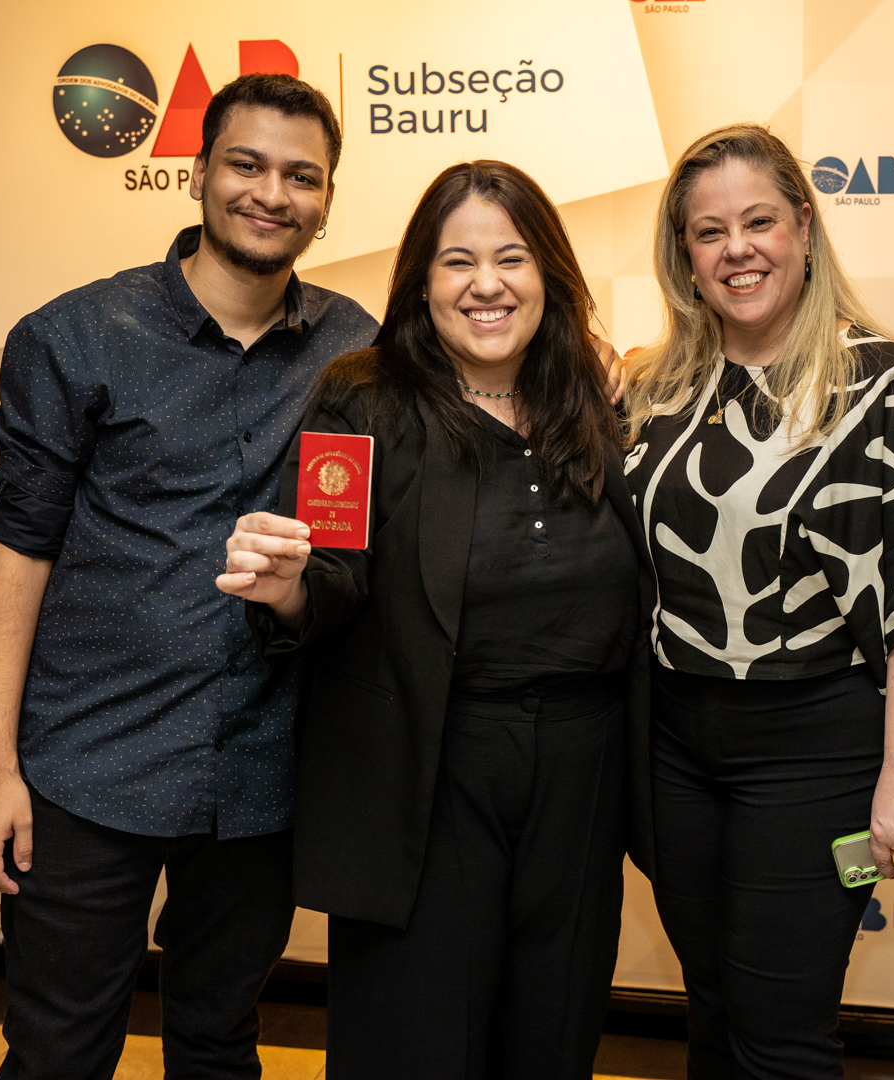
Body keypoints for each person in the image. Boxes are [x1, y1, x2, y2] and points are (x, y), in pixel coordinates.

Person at [0, 74, 379, 1078]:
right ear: (198, 174)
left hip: (260, 774)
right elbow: (20, 554)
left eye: (301, 176)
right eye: (247, 165)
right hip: (87, 764)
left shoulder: (355, 349)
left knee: (219, 1043)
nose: (271, 194)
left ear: (327, 199)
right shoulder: (75, 336)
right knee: (58, 1054)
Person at [216, 160, 654, 1080]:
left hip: (584, 767)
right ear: (421, 280)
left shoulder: (599, 398)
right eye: (458, 262)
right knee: (415, 1043)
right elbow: (329, 574)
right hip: (425, 764)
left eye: (512, 258)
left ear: (550, 274)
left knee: (554, 1034)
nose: (486, 284)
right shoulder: (359, 395)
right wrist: (284, 587)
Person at [622, 123, 894, 1078]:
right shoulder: (657, 387)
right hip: (671, 744)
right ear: (684, 254)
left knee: (781, 1033)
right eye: (709, 232)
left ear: (806, 231)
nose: (736, 249)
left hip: (814, 747)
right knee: (711, 1009)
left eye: (759, 222)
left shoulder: (884, 385)